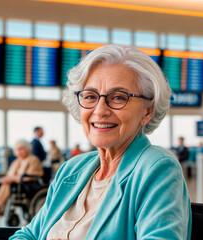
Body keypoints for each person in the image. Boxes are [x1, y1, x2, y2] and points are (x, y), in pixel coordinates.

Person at [11, 45, 191, 239]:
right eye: (90, 96)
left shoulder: (157, 168)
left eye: (118, 97)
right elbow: (29, 234)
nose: (100, 110)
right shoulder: (71, 169)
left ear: (147, 111)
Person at [0, 139, 43, 221]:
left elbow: (34, 174)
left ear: (27, 149)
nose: (19, 152)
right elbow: (8, 175)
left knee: (8, 183)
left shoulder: (33, 159)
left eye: (21, 149)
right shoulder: (15, 162)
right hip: (11, 184)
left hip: (24, 185)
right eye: (17, 149)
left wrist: (12, 179)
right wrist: (6, 178)